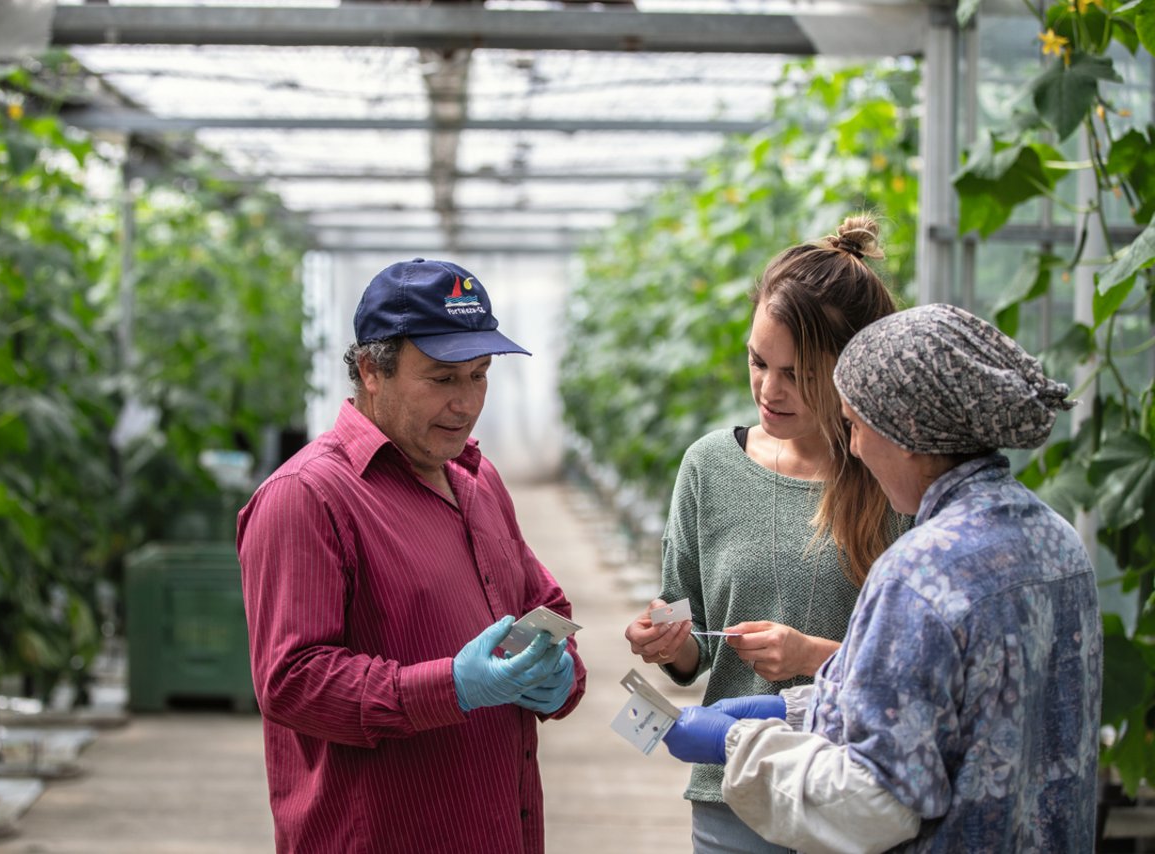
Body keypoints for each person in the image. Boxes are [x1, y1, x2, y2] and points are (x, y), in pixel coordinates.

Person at [662, 303, 1101, 853]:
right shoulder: (1057, 542)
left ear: (907, 433)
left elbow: (873, 802)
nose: (854, 447)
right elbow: (935, 713)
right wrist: (797, 710)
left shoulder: (918, 572)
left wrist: (740, 742)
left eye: (855, 425)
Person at [237, 257, 586, 854]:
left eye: (479, 376)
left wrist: (563, 673)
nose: (467, 403)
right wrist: (447, 685)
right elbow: (290, 681)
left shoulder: (477, 479)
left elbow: (541, 602)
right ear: (372, 370)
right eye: (443, 379)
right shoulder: (308, 498)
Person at [623, 215, 910, 853]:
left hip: (855, 796)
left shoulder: (895, 477)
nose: (769, 391)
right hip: (735, 798)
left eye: (798, 374)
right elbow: (689, 635)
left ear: (850, 368)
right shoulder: (708, 467)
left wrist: (811, 657)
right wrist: (665, 639)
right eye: (758, 362)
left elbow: (918, 669)